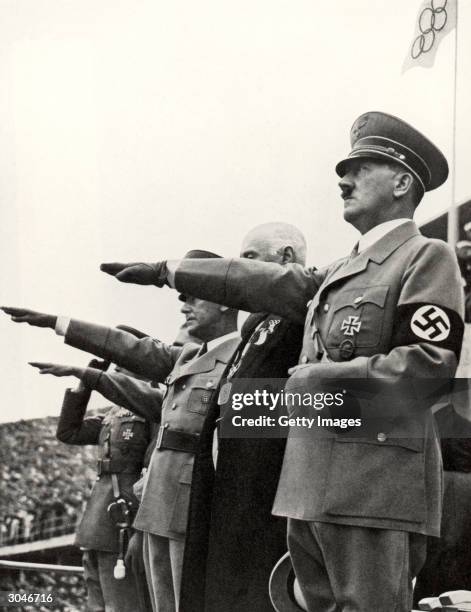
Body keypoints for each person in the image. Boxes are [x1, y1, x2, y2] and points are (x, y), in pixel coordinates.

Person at [98, 112, 465, 611]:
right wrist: (172, 271)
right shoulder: (342, 271)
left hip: (373, 489)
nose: (343, 179)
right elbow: (270, 282)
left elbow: (425, 375)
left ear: (402, 183)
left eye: (360, 167)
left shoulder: (426, 256)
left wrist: (311, 384)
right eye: (344, 169)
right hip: (309, 484)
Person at [2, 251, 240, 612]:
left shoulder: (242, 358)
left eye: (193, 296)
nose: (183, 308)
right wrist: (63, 331)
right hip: (149, 513)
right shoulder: (188, 360)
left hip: (174, 511)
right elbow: (72, 429)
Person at [180, 222, 306, 612]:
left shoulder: (306, 313)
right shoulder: (254, 324)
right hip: (230, 481)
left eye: (250, 257)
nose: (241, 266)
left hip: (268, 485)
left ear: (285, 259)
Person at [31, 325, 158, 612]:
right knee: (96, 603)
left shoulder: (155, 409)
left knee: (122, 605)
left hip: (125, 521)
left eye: (120, 370)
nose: (113, 377)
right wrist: (85, 382)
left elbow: (153, 469)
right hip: (98, 522)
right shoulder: (111, 415)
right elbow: (68, 432)